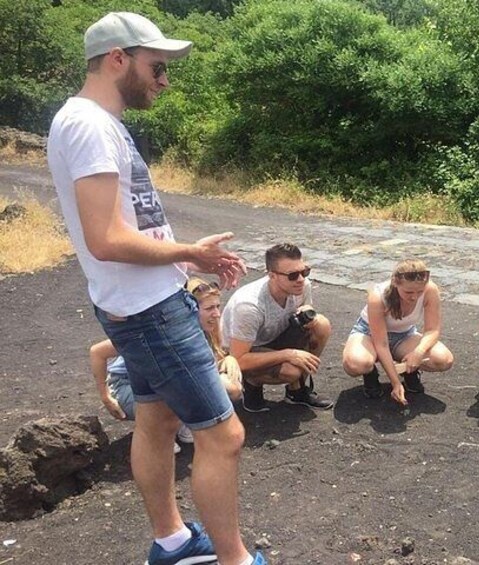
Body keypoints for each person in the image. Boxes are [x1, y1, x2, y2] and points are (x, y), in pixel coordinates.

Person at [47, 12, 260, 565]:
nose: (165, 81)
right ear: (118, 57)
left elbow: (130, 226)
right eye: (157, 67)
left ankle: (172, 542)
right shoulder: (89, 124)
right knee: (224, 435)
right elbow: (106, 238)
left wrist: (189, 255)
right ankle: (234, 560)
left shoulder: (97, 121)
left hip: (140, 302)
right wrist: (190, 253)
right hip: (148, 311)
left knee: (158, 419)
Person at [222, 243, 334, 412]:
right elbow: (238, 359)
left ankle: (297, 391)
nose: (301, 279)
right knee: (291, 370)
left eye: (304, 272)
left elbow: (307, 317)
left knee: (321, 324)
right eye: (293, 275)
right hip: (243, 351)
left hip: (273, 338)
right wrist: (288, 354)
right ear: (272, 276)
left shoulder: (303, 286)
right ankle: (252, 384)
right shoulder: (249, 306)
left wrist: (308, 313)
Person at [342, 259, 454, 405]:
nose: (414, 297)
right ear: (395, 283)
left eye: (419, 292)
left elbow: (432, 330)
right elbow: (381, 344)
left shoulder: (431, 290)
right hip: (369, 333)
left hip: (404, 334)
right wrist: (395, 383)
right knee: (357, 364)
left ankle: (409, 370)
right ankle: (370, 373)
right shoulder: (377, 296)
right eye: (408, 292)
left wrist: (418, 352)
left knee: (443, 359)